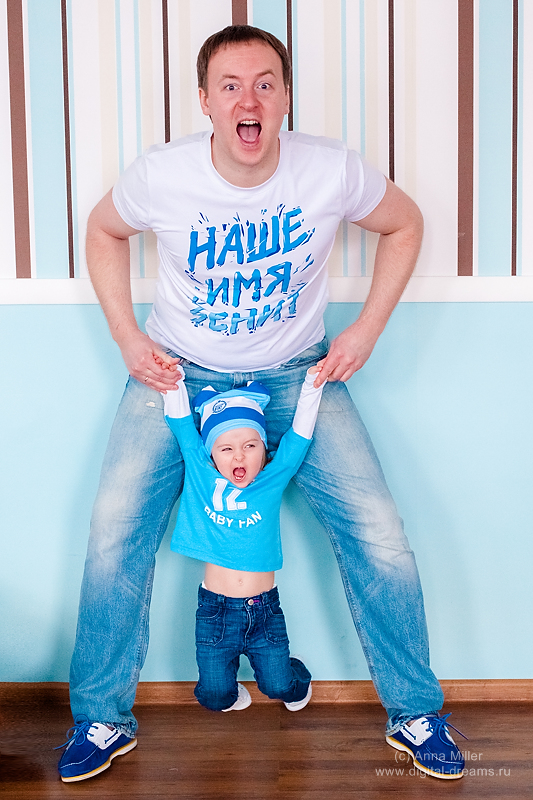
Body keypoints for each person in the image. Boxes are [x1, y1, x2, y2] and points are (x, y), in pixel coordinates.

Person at [57, 24, 466, 783]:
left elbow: (404, 223)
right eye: (231, 86)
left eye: (265, 84)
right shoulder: (162, 175)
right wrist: (125, 336)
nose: (249, 99)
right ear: (206, 101)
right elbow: (104, 230)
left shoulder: (329, 169)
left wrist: (366, 329)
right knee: (114, 535)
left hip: (295, 373)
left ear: (283, 98)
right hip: (177, 374)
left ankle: (415, 711)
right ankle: (102, 719)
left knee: (379, 534)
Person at [163, 365, 323, 713]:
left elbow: (298, 440)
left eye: (250, 446)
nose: (238, 456)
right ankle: (228, 690)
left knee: (280, 687)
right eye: (226, 449)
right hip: (215, 612)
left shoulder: (272, 478)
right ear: (211, 454)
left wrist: (312, 387)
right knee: (215, 697)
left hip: (263, 610)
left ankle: (296, 678)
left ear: (263, 450)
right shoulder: (201, 473)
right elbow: (182, 426)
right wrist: (171, 379)